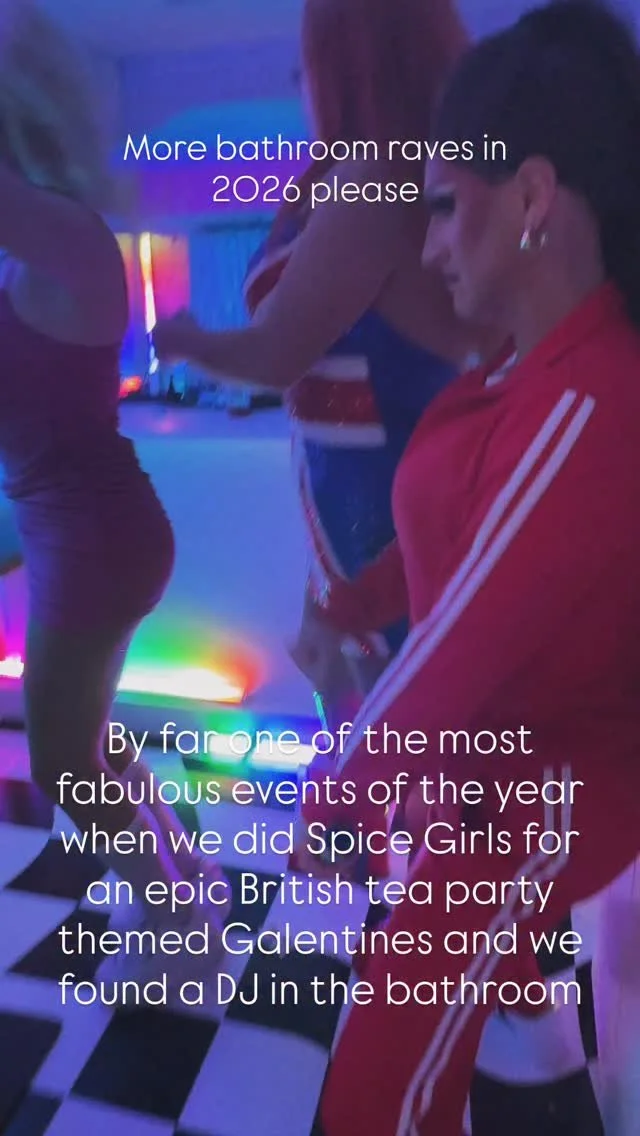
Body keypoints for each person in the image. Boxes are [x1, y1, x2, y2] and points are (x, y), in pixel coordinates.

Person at [292, 2, 640, 1132]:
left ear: (531, 200)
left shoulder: (585, 401)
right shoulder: (516, 375)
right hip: (486, 767)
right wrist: (353, 600)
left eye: (445, 206)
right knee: (412, 1027)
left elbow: (460, 645)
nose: (431, 244)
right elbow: (454, 541)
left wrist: (336, 796)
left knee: (376, 1079)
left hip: (548, 788)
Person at [153, 0, 491, 736]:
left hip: (383, 511)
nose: (299, 83)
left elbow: (278, 352)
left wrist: (187, 341)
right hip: (368, 507)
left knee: (395, 747)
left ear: (343, 62)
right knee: (386, 740)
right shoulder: (406, 172)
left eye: (305, 65)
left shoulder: (375, 180)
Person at [0, 1, 227, 997]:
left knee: (62, 763)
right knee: (87, 740)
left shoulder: (73, 241)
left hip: (93, 537)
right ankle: (183, 874)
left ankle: (179, 923)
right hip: (80, 531)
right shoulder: (38, 253)